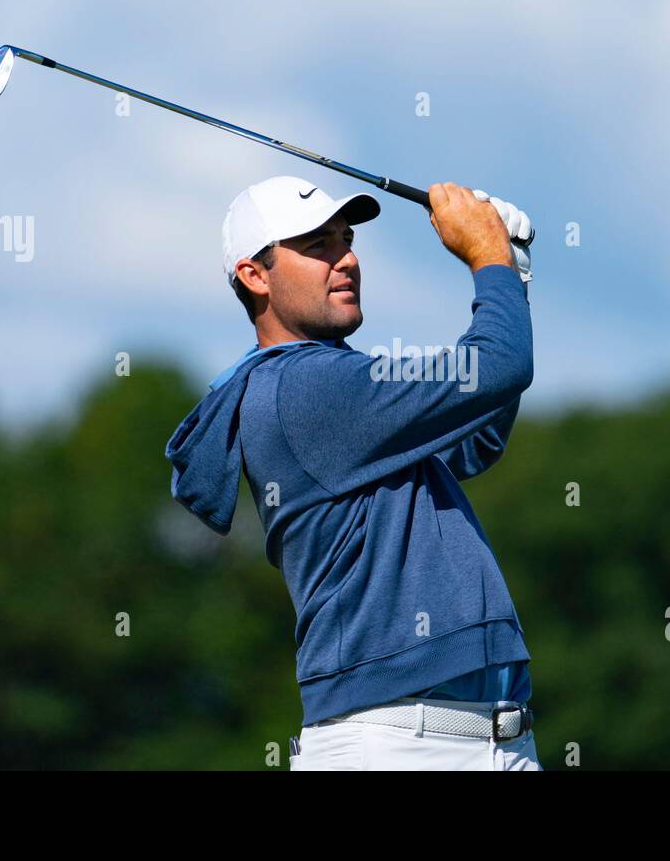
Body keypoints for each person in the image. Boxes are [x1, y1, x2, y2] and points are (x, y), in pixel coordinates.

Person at [165, 174, 540, 770]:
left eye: (346, 238)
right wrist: (489, 258)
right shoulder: (303, 388)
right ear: (254, 276)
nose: (346, 259)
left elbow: (476, 439)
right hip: (397, 746)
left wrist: (511, 276)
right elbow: (498, 365)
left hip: (484, 740)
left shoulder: (336, 385)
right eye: (318, 246)